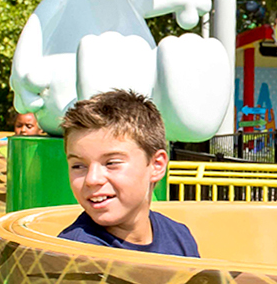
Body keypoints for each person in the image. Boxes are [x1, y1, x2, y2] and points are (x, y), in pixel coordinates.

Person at [55, 89, 200, 257]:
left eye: (111, 163)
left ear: (156, 165)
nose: (92, 179)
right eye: (78, 166)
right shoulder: (77, 255)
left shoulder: (179, 237)